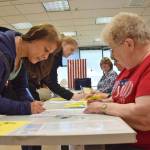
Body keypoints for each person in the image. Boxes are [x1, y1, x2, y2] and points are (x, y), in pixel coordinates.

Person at [84, 12, 150, 150]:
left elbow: (145, 116)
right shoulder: (129, 67)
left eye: (113, 49)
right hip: (119, 137)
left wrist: (103, 107)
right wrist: (102, 101)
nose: (113, 55)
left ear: (128, 44)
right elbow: (119, 99)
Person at [0, 24, 59, 115]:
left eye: (49, 54)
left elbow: (22, 88)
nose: (46, 57)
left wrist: (32, 103)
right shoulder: (2, 53)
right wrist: (26, 108)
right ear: (34, 36)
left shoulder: (21, 57)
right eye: (46, 50)